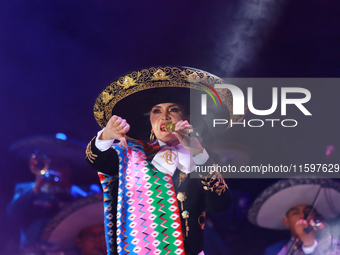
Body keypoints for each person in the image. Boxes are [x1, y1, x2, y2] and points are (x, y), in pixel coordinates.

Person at [85, 66, 244, 255]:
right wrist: (106, 136)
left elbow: (220, 205)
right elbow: (98, 161)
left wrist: (198, 151)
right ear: (151, 123)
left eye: (173, 109)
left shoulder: (203, 158)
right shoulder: (131, 155)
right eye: (157, 111)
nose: (165, 116)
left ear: (188, 118)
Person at [7, 134, 101, 254]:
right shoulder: (24, 189)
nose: (53, 169)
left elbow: (93, 211)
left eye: (60, 165)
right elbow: (13, 213)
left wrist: (67, 189)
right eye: (49, 164)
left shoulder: (86, 192)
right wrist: (37, 186)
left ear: (69, 169)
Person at [248, 178, 340, 255]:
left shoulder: (333, 242)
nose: (302, 216)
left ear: (316, 216)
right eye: (295, 213)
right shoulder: (274, 251)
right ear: (286, 221)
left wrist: (310, 245)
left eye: (308, 211)